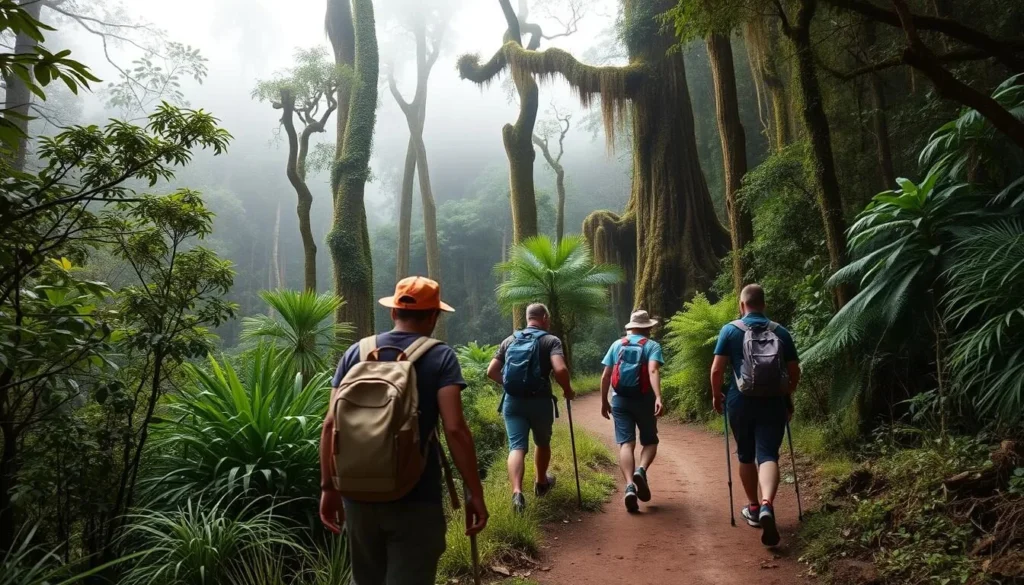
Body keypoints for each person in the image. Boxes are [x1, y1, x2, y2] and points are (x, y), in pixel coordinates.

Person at [319, 276, 488, 585]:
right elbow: (455, 428)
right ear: (434, 316)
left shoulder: (355, 353)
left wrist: (328, 488)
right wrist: (474, 492)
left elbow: (330, 424)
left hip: (357, 494)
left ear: (393, 312)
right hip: (416, 494)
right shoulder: (441, 356)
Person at [710, 284, 800, 547]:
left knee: (746, 455)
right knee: (768, 454)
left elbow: (717, 370)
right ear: (764, 304)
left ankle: (752, 507)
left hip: (740, 401)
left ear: (742, 305)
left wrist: (717, 396)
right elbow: (794, 371)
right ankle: (766, 504)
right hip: (773, 402)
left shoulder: (730, 330)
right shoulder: (780, 331)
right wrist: (787, 396)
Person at [487, 303, 575, 514]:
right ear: (544, 317)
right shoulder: (551, 340)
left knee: (516, 447)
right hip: (540, 401)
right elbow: (560, 368)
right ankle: (541, 483)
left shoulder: (509, 340)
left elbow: (491, 371)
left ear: (527, 318)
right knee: (542, 442)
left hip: (513, 401)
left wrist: (510, 385)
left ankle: (517, 492)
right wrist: (567, 389)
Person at [599, 309, 665, 513]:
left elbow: (606, 375)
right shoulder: (652, 346)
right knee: (650, 441)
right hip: (644, 399)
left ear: (630, 327)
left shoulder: (617, 345)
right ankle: (641, 470)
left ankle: (629, 486)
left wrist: (604, 401)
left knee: (626, 444)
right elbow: (653, 370)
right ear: (648, 328)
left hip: (620, 400)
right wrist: (658, 397)